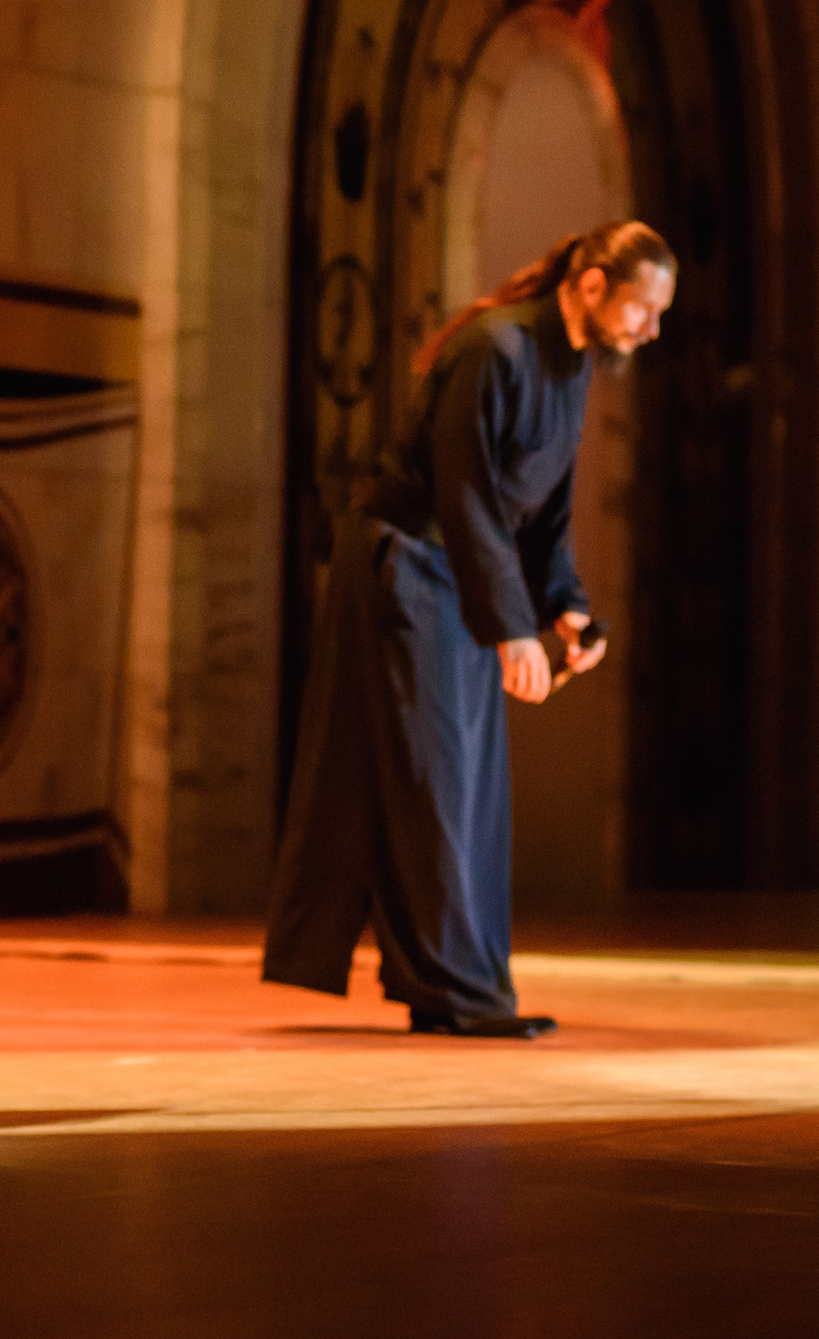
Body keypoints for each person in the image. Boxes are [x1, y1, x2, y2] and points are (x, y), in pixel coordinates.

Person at [262, 220, 676, 1038]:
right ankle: (457, 995)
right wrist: (509, 627)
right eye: (642, 308)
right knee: (435, 783)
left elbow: (542, 511)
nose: (650, 329)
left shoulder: (572, 366)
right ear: (593, 286)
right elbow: (468, 492)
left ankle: (464, 990)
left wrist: (567, 606)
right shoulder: (497, 350)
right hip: (403, 566)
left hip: (455, 579)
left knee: (468, 790)